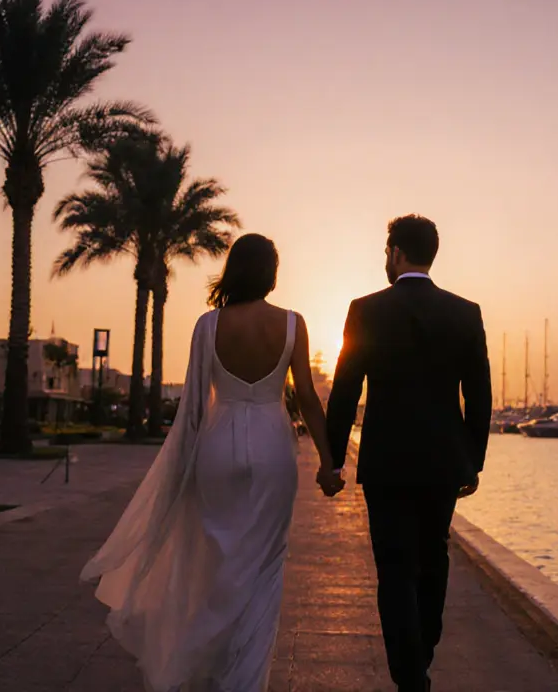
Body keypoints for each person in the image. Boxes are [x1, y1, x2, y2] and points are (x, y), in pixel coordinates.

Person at [80, 234, 343, 691]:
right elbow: (306, 397)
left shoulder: (207, 326)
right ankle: (245, 679)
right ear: (271, 274)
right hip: (273, 447)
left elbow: (194, 408)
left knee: (218, 560)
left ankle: (207, 662)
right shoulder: (292, 323)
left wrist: (181, 470)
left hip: (218, 447)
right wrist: (329, 463)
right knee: (265, 565)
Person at [326, 215, 493, 692]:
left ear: (397, 253)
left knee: (395, 569)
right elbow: (479, 395)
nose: (385, 259)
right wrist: (473, 460)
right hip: (443, 463)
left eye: (386, 251)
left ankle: (410, 676)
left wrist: (333, 460)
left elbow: (345, 390)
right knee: (433, 557)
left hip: (387, 462)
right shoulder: (465, 313)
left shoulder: (366, 310)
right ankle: (420, 658)